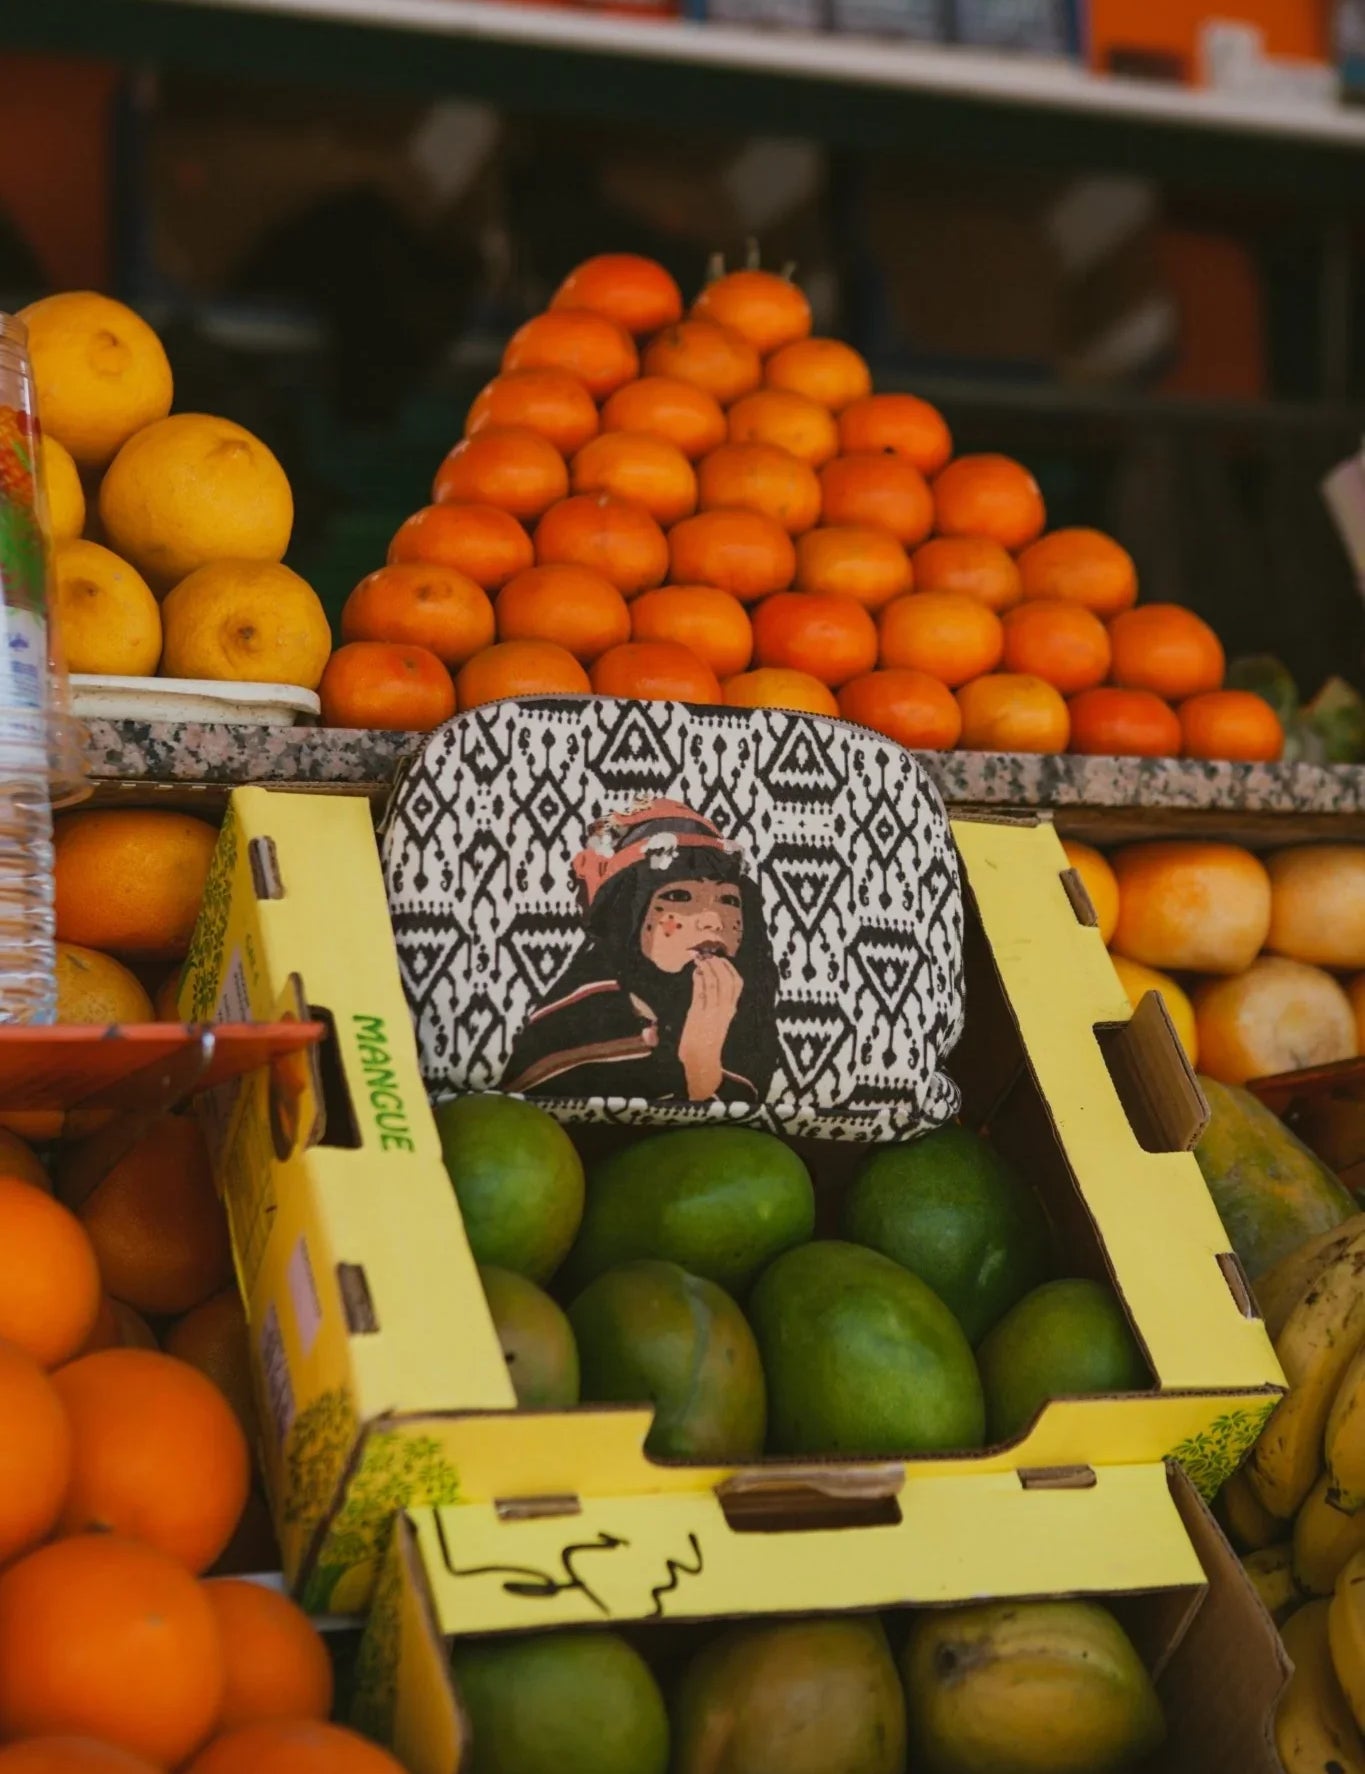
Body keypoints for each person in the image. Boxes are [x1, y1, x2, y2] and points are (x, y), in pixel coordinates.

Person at [502, 798, 776, 1104]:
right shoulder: (581, 1018)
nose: (713, 921)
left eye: (728, 900)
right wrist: (699, 1063)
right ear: (626, 916)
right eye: (679, 896)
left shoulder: (746, 1009)